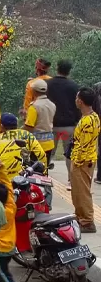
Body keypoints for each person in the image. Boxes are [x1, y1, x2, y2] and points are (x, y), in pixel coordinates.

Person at [69, 88, 100, 233]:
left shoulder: (88, 120)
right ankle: (80, 217)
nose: (75, 100)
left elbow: (84, 144)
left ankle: (87, 221)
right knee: (78, 192)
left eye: (76, 98)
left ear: (80, 101)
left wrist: (77, 161)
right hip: (84, 160)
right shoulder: (92, 117)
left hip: (83, 161)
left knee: (82, 192)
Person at [46, 59, 80, 189]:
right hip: (68, 127)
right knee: (69, 153)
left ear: (57, 68)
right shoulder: (73, 86)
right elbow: (77, 106)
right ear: (69, 71)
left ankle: (43, 176)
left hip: (51, 125)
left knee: (49, 151)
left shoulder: (48, 84)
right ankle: (71, 180)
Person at [0, 113, 48, 179]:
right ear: (17, 125)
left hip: (3, 179)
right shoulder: (27, 135)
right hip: (24, 177)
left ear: (2, 126)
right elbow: (41, 154)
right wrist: (44, 172)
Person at [23, 78, 56, 164]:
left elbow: (29, 127)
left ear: (34, 91)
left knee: (35, 171)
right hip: (49, 143)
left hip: (37, 144)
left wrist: (20, 133)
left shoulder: (34, 106)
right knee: (44, 168)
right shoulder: (52, 105)